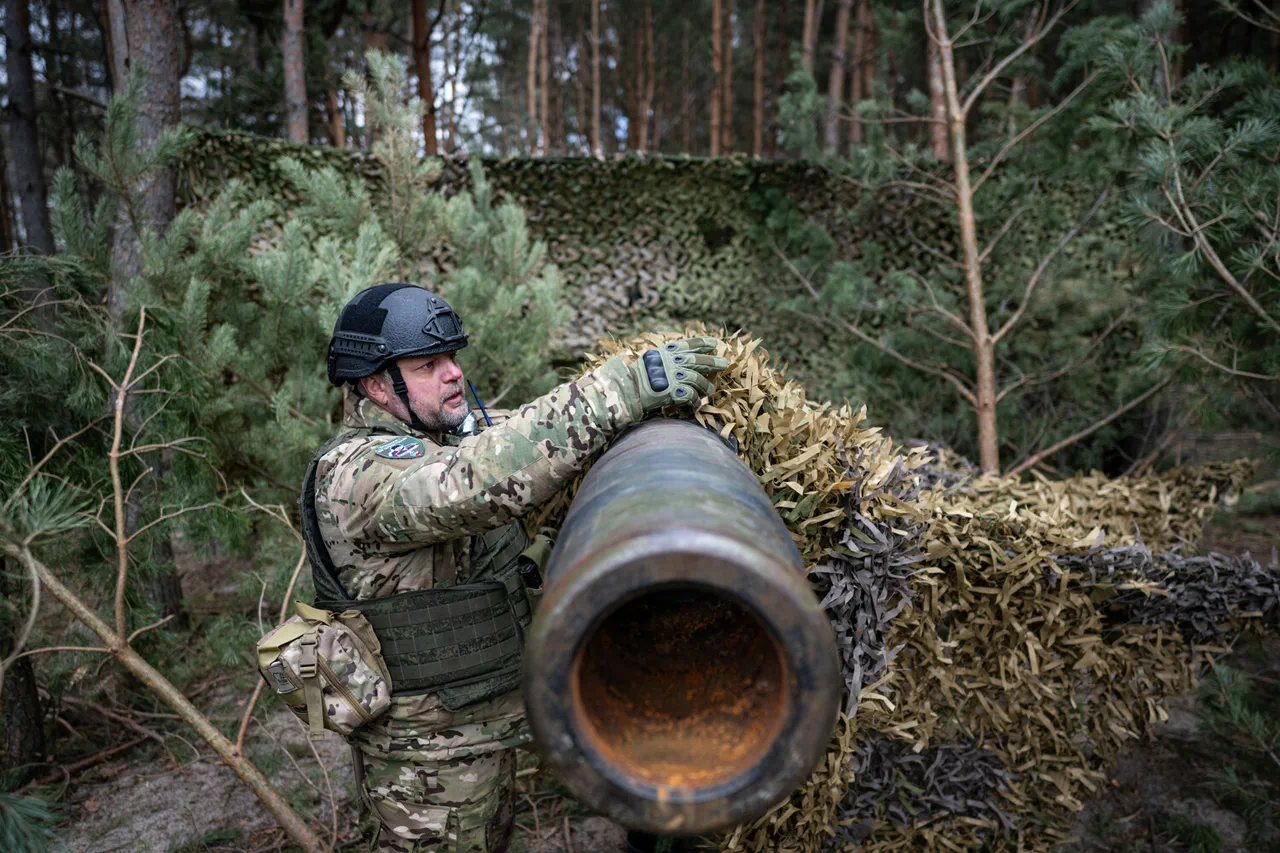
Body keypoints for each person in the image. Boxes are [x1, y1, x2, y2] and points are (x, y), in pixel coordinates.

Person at [301, 282, 727, 853]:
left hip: (480, 720)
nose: (453, 373)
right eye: (429, 365)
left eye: (452, 357)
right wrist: (621, 388)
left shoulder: (442, 437)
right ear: (377, 386)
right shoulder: (355, 472)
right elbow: (471, 485)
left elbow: (524, 431)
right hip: (423, 761)